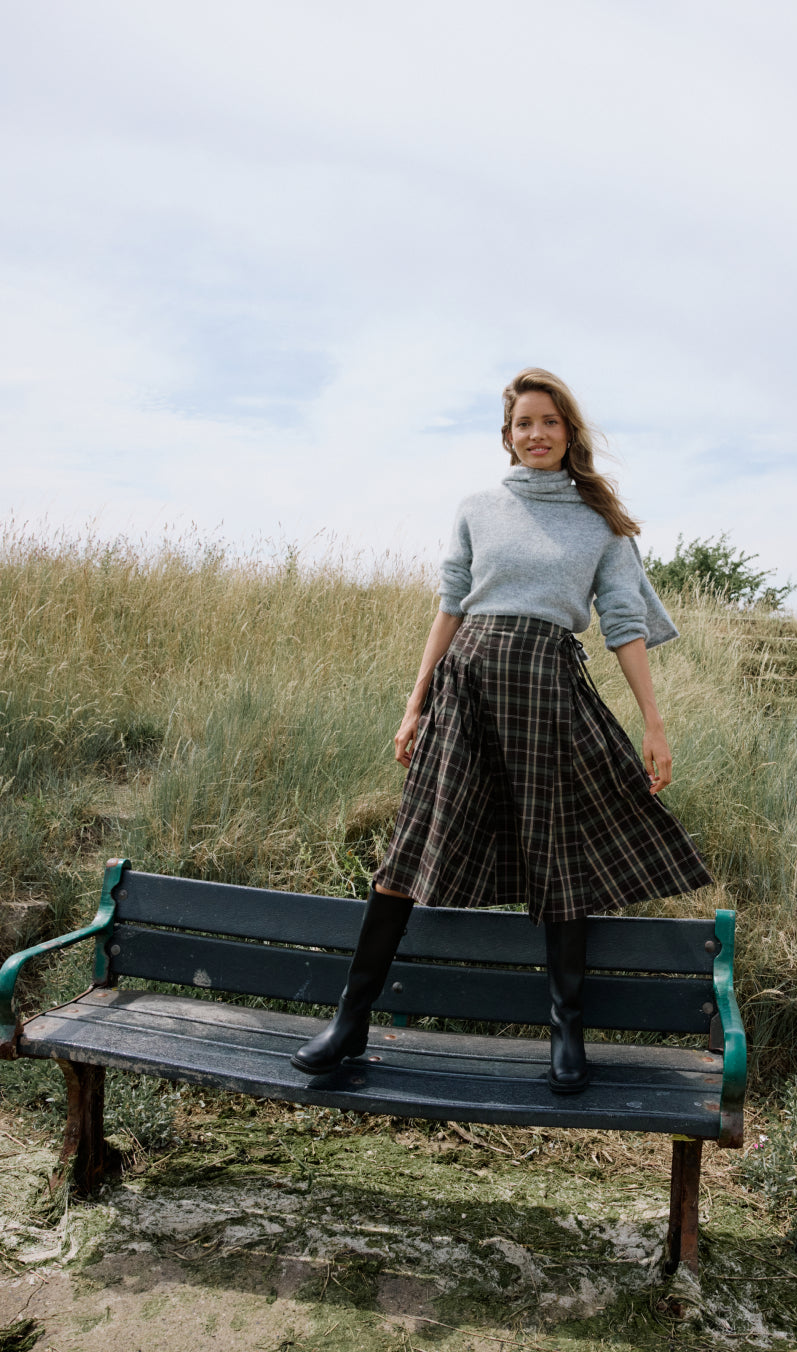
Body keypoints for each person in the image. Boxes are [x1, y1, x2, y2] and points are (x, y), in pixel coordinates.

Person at [292, 368, 712, 1092]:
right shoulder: (477, 508)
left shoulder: (599, 524)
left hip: (549, 690)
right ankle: (350, 1020)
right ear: (508, 436)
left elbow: (626, 626)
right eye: (524, 423)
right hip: (467, 688)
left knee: (560, 857)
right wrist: (413, 703)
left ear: (568, 433)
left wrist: (654, 723)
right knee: (409, 848)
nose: (537, 434)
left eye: (550, 422)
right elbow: (450, 606)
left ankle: (566, 1028)